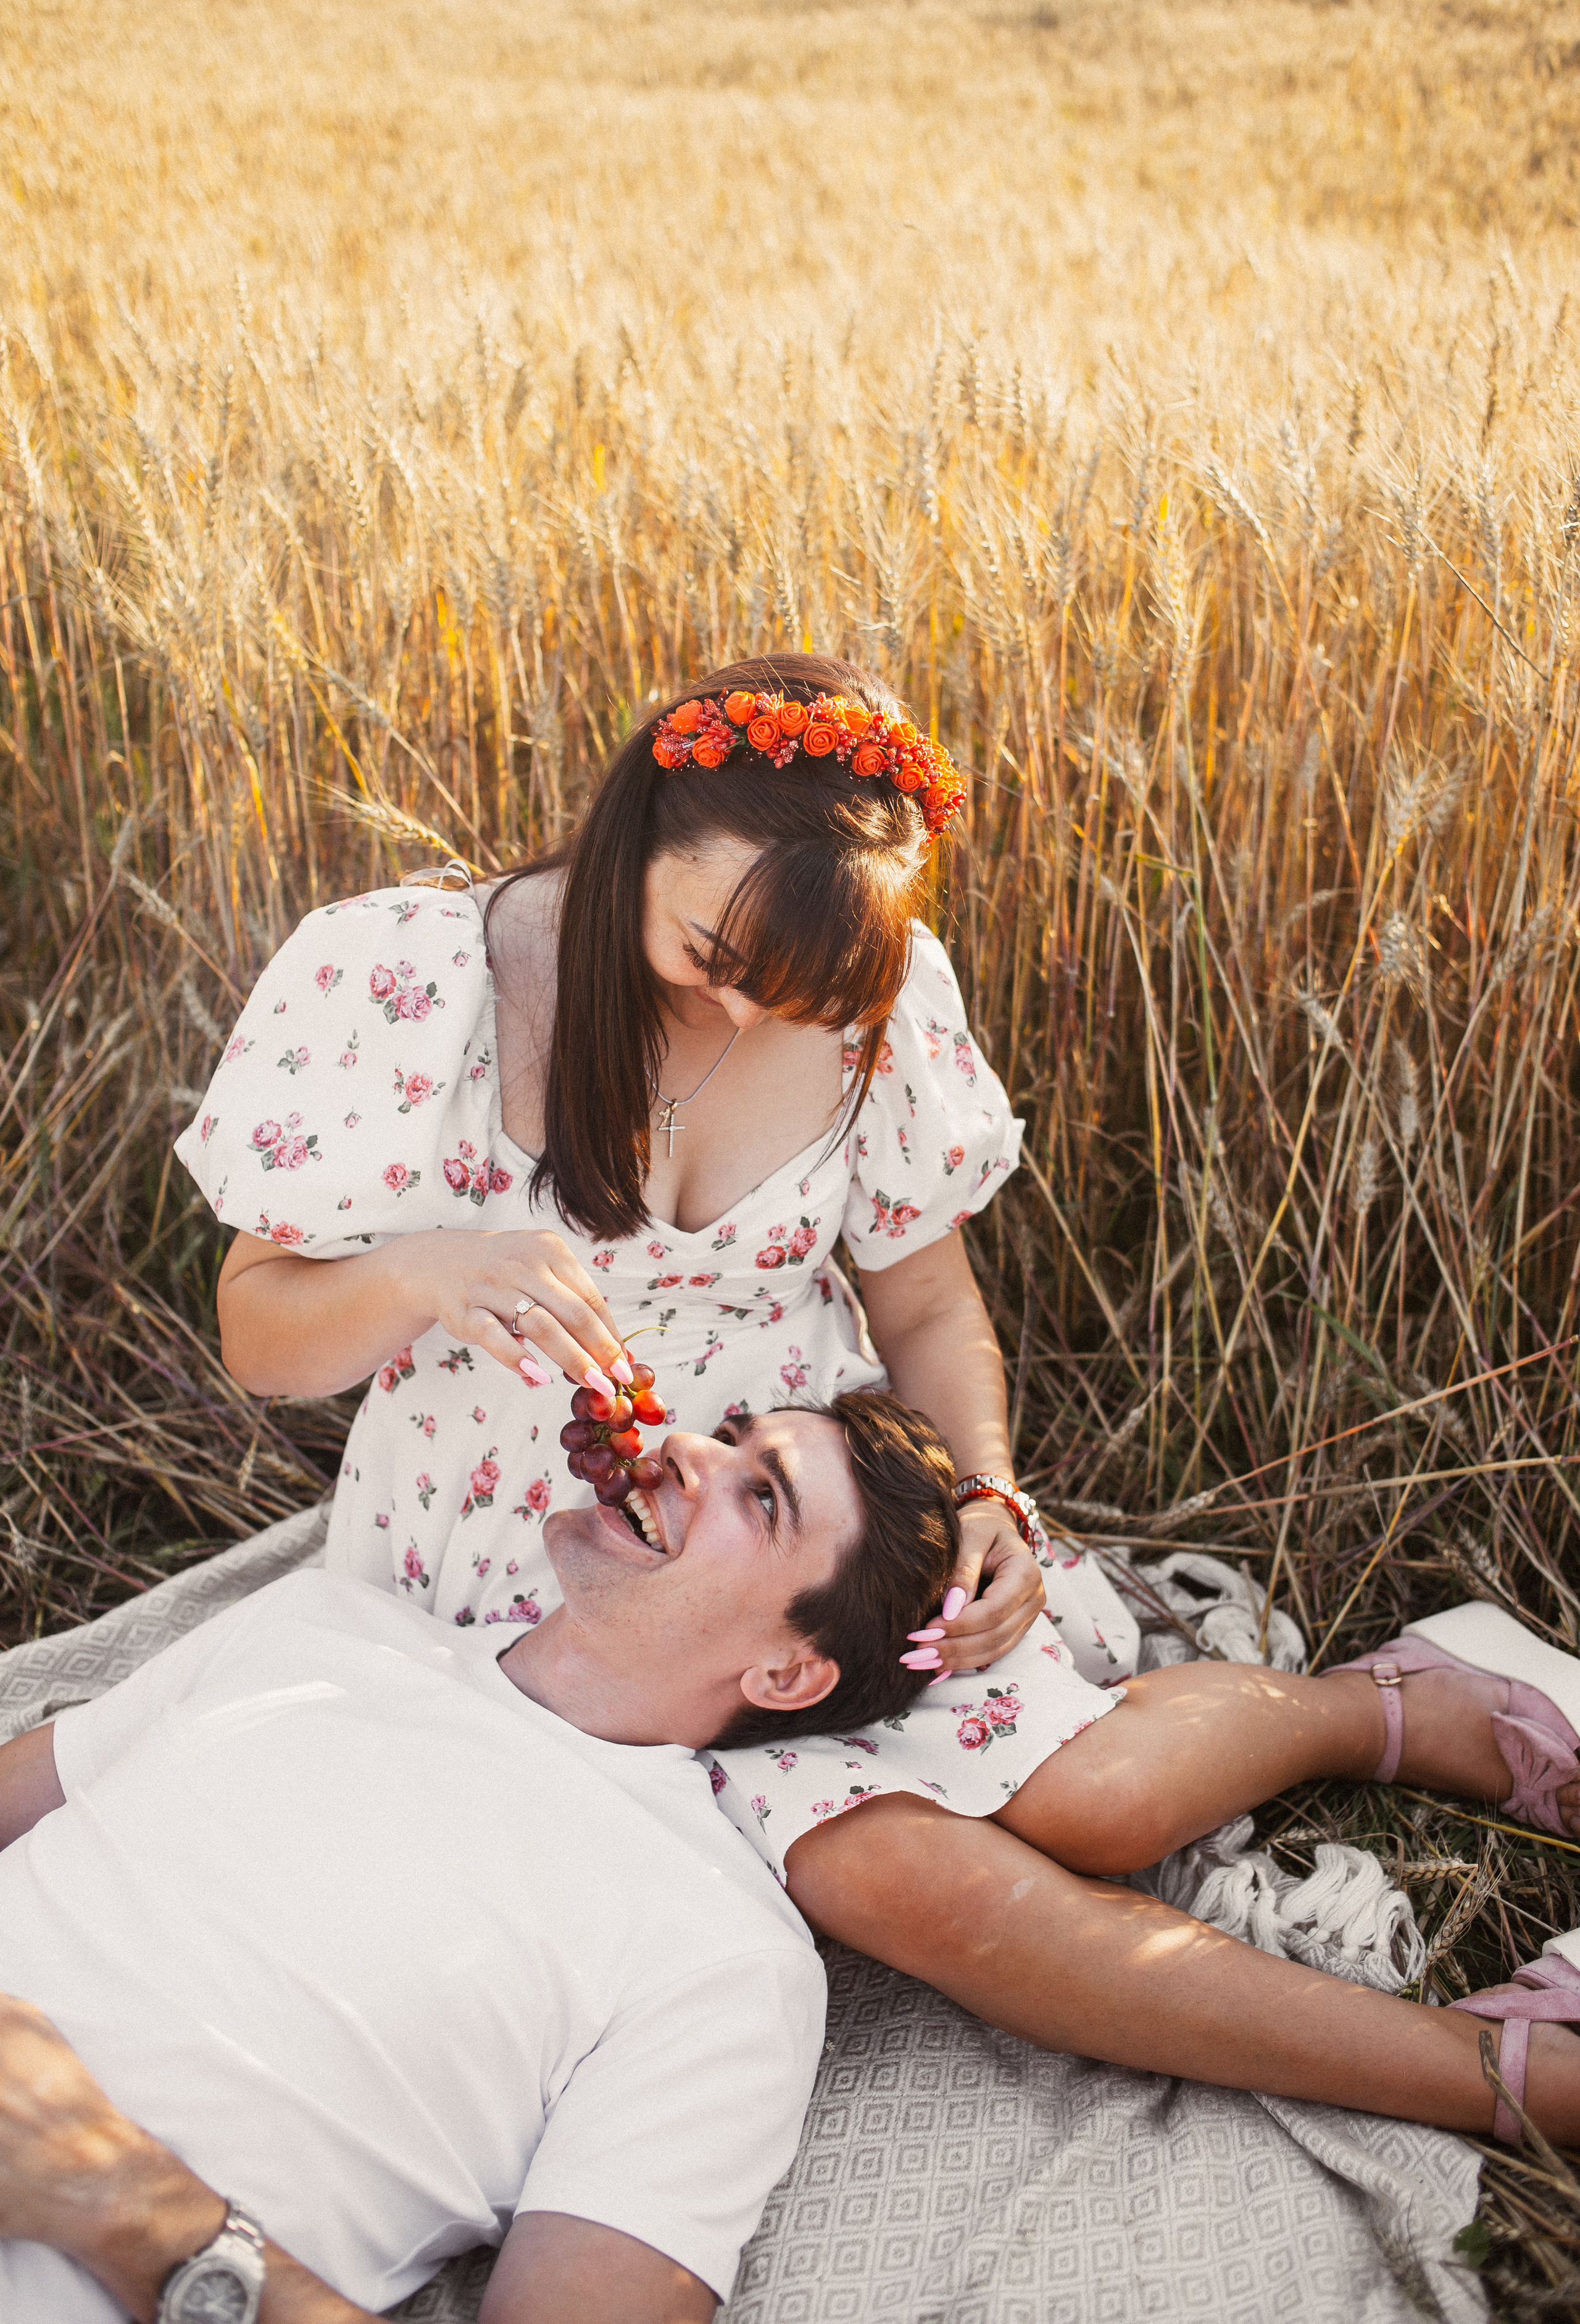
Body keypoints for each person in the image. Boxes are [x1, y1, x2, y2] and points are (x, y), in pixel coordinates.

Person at [175, 651, 1580, 2147]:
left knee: (1099, 1805)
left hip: (806, 1515)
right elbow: (260, 1333)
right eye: (711, 950)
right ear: (634, 829)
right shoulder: (406, 977)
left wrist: (986, 1495)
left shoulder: (876, 990)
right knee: (900, 1879)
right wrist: (421, 1273)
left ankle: (1382, 1709)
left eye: (789, 987)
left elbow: (923, 1303)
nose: (739, 1005)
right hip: (527, 1562)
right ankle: (1490, 2080)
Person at [0, 1393, 957, 2324]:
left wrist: (126, 2201)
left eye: (763, 1497)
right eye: (725, 1434)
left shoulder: (725, 1960)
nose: (685, 1449)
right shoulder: (317, 1621)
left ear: (786, 1673)